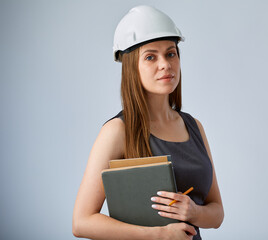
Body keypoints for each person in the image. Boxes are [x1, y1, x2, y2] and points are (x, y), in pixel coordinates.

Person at [72, 5, 224, 240]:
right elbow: (81, 222)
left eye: (171, 53)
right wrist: (158, 234)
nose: (165, 64)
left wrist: (193, 211)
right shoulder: (117, 131)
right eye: (151, 56)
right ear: (132, 66)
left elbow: (217, 214)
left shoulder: (194, 127)